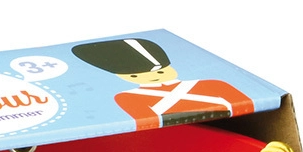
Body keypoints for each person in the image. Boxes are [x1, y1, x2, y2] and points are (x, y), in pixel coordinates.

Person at [71, 37, 254, 130]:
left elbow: (248, 107)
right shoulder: (126, 98)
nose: (152, 77)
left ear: (171, 68)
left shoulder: (215, 85)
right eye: (134, 75)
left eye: (160, 71)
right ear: (124, 77)